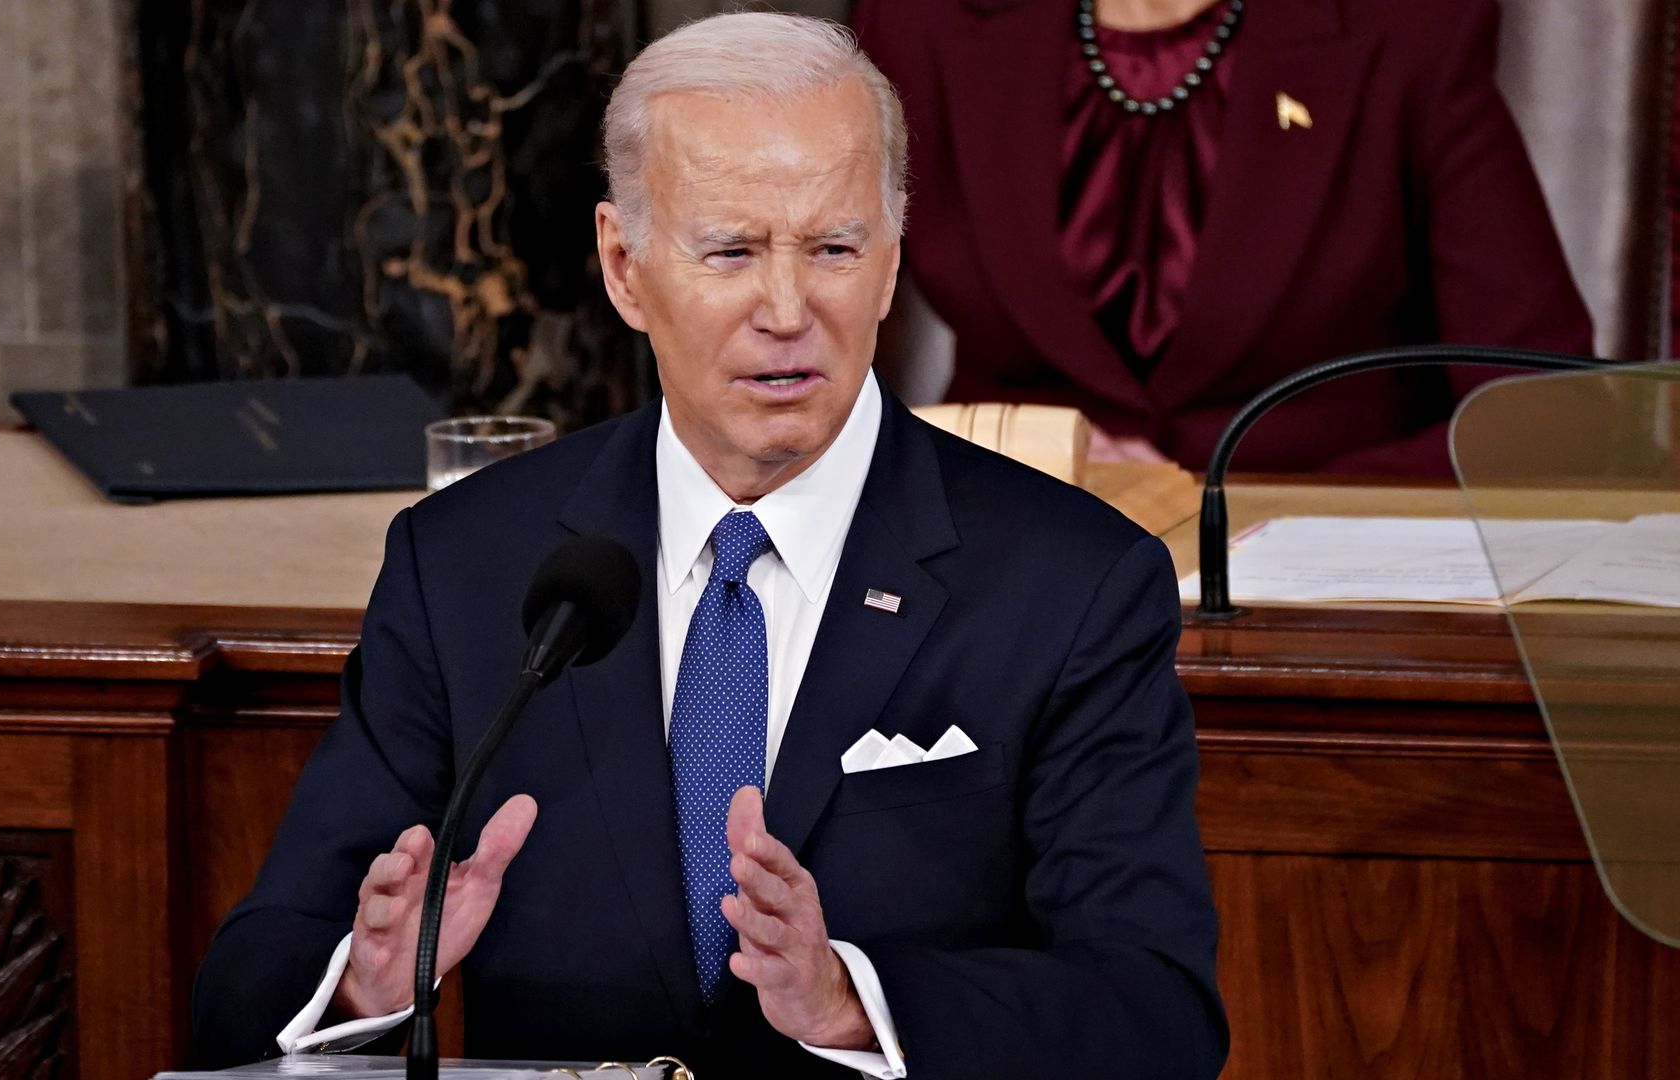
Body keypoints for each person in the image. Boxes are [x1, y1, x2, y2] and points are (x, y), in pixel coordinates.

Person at [193, 13, 1226, 1077]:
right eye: (731, 252)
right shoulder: (463, 564)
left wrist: (853, 1003)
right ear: (624, 267)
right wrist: (367, 979)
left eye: (833, 248)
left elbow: (1155, 1015)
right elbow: (245, 988)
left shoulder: (1072, 582)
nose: (787, 309)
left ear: (891, 265)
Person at [854, 0, 1595, 473]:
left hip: (1314, 580)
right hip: (1012, 564)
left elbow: (1545, 413)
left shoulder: (1410, 25)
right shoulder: (923, 21)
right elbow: (798, 342)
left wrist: (1233, 503)